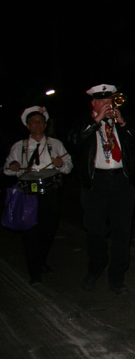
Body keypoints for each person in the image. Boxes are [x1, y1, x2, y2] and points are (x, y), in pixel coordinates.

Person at [69, 84, 135, 294]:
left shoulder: (119, 122)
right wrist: (96, 120)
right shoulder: (85, 123)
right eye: (103, 101)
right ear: (94, 103)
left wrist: (122, 121)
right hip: (96, 183)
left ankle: (117, 278)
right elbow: (75, 142)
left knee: (122, 233)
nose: (108, 105)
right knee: (96, 232)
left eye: (110, 101)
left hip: (121, 182)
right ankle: (95, 269)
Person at [4, 106, 73, 285]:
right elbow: (7, 169)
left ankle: (40, 260)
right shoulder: (19, 146)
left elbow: (68, 167)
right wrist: (13, 167)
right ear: (27, 126)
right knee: (30, 232)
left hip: (50, 192)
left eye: (40, 122)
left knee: (48, 231)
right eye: (33, 122)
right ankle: (34, 272)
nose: (37, 125)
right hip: (28, 193)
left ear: (45, 125)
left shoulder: (56, 144)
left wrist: (59, 164)